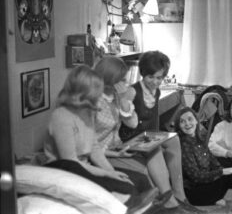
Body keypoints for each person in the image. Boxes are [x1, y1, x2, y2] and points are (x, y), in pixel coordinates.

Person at [43, 65, 157, 214]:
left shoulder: (87, 112)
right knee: (126, 189)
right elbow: (70, 163)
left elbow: (94, 148)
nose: (101, 95)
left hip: (85, 166)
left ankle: (154, 209)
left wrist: (112, 172)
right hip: (66, 170)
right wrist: (107, 174)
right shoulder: (61, 116)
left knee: (140, 179)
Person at [94, 55, 200, 214]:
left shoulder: (118, 96)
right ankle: (171, 202)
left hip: (125, 142)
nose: (125, 83)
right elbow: (89, 141)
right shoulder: (94, 101)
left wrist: (122, 100)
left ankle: (178, 196)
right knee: (153, 148)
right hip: (118, 144)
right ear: (110, 80)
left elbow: (133, 121)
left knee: (170, 140)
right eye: (121, 80)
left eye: (160, 77)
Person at [174, 107, 232, 206]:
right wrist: (222, 172)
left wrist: (227, 171)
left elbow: (214, 162)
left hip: (206, 183)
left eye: (190, 119)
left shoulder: (199, 140)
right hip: (195, 192)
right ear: (179, 126)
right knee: (231, 178)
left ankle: (228, 200)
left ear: (196, 121)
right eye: (182, 121)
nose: (187, 124)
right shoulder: (184, 145)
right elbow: (196, 177)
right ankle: (224, 201)